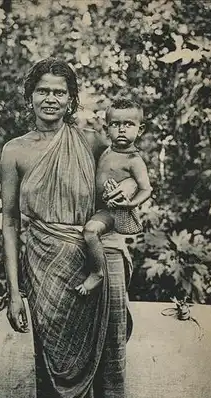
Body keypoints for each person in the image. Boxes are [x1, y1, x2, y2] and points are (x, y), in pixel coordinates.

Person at [0, 57, 134, 398]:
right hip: (43, 262)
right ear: (30, 96)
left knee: (103, 352)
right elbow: (10, 222)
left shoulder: (93, 142)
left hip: (91, 255)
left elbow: (117, 196)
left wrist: (127, 192)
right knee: (52, 353)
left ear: (72, 98)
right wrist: (15, 292)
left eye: (60, 91)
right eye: (43, 90)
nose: (51, 98)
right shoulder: (15, 150)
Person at [75, 98, 152, 295]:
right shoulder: (106, 149)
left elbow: (146, 189)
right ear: (107, 128)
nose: (122, 129)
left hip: (111, 210)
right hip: (95, 207)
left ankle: (97, 272)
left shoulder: (134, 160)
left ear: (140, 130)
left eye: (129, 124)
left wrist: (129, 204)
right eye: (116, 124)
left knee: (91, 231)